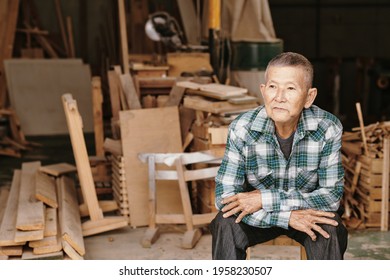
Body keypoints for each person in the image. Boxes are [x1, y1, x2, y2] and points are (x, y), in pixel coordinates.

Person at [209, 52, 348, 260]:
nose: (279, 97)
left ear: (309, 97)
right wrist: (287, 217)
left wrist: (265, 198)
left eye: (290, 88)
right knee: (225, 222)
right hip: (260, 217)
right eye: (273, 87)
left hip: (305, 216)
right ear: (263, 91)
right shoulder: (242, 128)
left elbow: (330, 197)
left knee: (330, 228)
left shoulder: (327, 128)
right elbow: (225, 197)